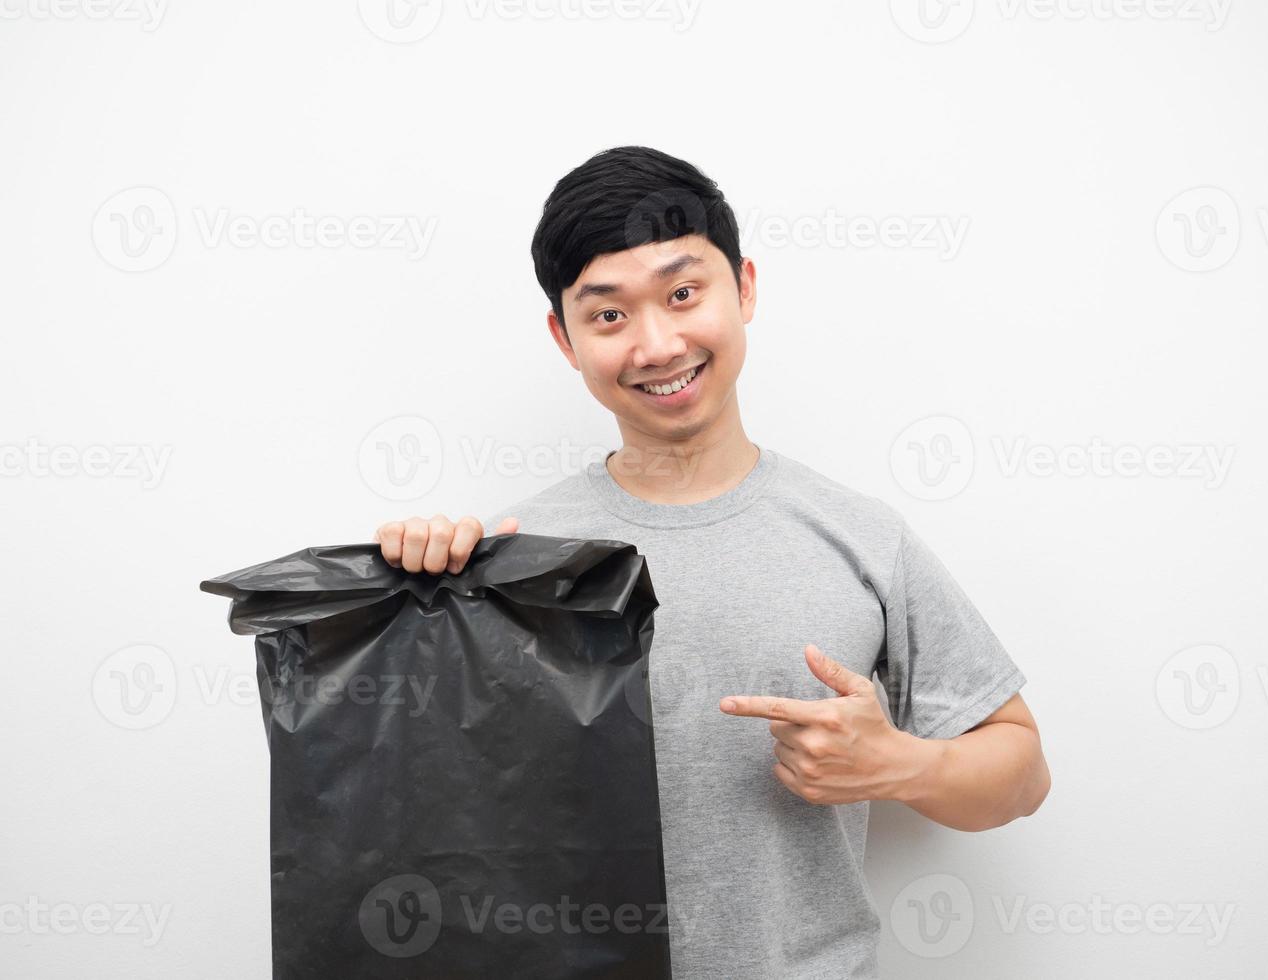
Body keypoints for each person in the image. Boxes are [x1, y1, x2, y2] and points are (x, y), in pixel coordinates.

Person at [373, 145, 1051, 979]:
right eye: (609, 315)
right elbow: (419, 807)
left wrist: (903, 763)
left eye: (683, 293)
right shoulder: (508, 559)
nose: (657, 345)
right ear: (565, 338)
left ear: (746, 288)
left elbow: (1021, 775)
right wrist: (413, 597)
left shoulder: (861, 538)